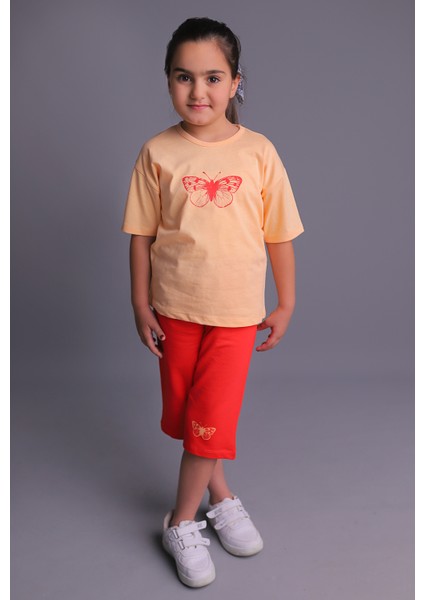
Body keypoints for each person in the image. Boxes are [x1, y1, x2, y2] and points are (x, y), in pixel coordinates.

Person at [122, 16, 305, 588]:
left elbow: (279, 234)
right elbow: (141, 236)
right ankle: (220, 494)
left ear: (235, 83)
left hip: (234, 316)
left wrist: (286, 302)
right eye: (184, 77)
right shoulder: (157, 152)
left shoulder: (259, 152)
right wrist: (140, 304)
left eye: (213, 77)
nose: (198, 91)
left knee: (210, 420)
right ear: (168, 80)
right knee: (189, 417)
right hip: (174, 311)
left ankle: (180, 521)